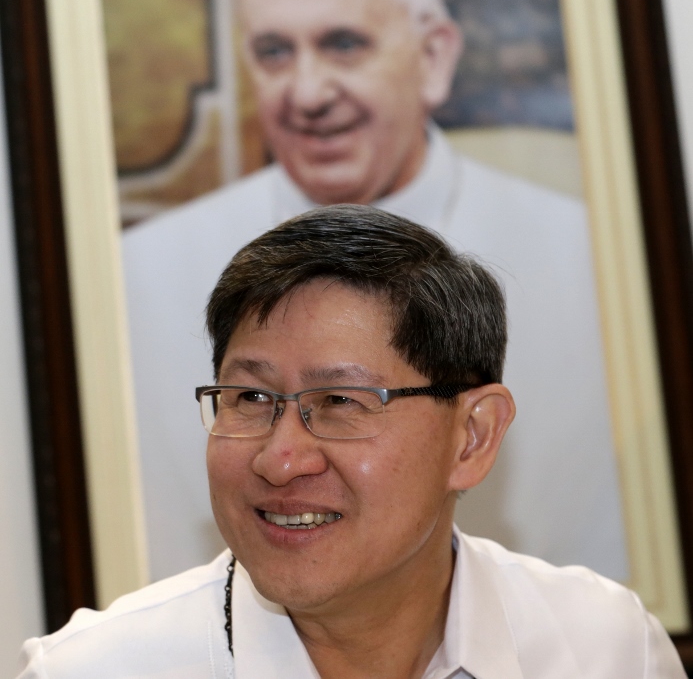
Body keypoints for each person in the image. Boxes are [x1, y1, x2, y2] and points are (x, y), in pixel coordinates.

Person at [123, 0, 626, 583]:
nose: (307, 92)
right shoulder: (140, 274)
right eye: (274, 51)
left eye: (343, 44)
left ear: (434, 55)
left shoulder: (596, 264)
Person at [18, 206, 685, 678]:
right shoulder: (91, 670)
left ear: (471, 437)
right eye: (250, 398)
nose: (279, 460)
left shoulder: (603, 649)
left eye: (338, 401)